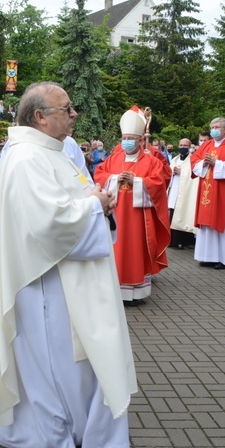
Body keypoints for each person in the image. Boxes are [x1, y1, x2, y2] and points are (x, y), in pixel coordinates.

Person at [0, 81, 136, 448]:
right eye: (67, 108)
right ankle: (50, 441)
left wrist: (97, 203)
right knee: (49, 365)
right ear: (40, 117)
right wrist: (95, 207)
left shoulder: (53, 152)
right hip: (42, 282)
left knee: (71, 363)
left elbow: (65, 204)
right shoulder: (27, 157)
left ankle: (81, 434)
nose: (74, 114)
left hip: (63, 279)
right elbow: (47, 223)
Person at [95, 108, 170, 306]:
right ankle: (114, 291)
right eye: (124, 138)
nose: (126, 142)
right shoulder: (113, 158)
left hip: (138, 217)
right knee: (116, 249)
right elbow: (99, 174)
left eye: (130, 138)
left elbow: (159, 184)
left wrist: (137, 181)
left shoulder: (152, 161)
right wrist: (114, 178)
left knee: (135, 249)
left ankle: (135, 292)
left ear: (139, 140)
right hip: (116, 213)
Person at [189, 117, 225, 269]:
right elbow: (194, 161)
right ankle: (208, 256)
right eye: (212, 127)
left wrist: (217, 163)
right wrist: (204, 163)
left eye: (217, 127)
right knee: (207, 224)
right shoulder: (207, 145)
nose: (214, 130)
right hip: (207, 192)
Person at [167, 138, 198, 249]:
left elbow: (195, 173)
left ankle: (184, 241)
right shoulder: (174, 159)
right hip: (175, 189)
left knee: (184, 214)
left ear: (189, 147)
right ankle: (173, 240)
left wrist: (182, 172)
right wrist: (172, 172)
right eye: (181, 145)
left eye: (185, 145)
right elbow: (168, 172)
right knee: (172, 214)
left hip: (186, 192)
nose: (182, 147)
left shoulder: (193, 159)